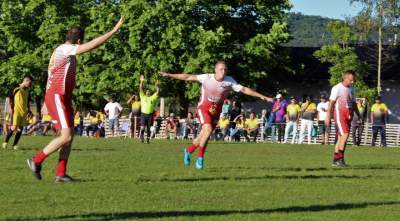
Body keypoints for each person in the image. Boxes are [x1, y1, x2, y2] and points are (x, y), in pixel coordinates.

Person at [27, 17, 124, 182]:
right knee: (65, 136)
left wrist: (45, 102)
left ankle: (60, 173)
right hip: (57, 96)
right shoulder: (66, 49)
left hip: (61, 97)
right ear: (78, 41)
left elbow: (52, 75)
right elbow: (93, 45)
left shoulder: (62, 51)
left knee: (70, 135)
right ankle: (36, 161)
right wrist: (113, 31)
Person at [160, 61, 273, 169]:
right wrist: (169, 75)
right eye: (221, 69)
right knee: (208, 130)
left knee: (203, 136)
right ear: (215, 70)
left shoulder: (229, 81)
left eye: (225, 69)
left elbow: (244, 89)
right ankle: (200, 159)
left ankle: (189, 151)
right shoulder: (207, 78)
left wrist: (262, 96)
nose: (223, 71)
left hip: (215, 113)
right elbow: (187, 77)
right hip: (203, 109)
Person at [326, 70, 360, 167]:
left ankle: (336, 160)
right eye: (351, 80)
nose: (352, 82)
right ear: (345, 78)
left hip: (348, 116)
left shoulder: (352, 89)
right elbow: (331, 103)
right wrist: (328, 116)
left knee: (341, 138)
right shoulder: (337, 88)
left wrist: (358, 114)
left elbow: (353, 103)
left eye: (353, 80)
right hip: (339, 114)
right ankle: (340, 159)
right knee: (345, 134)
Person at [2, 77, 33, 150]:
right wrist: (10, 108)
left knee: (20, 129)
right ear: (25, 81)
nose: (30, 85)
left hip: (24, 112)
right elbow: (10, 98)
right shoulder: (16, 88)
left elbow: (27, 102)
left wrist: (29, 110)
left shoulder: (28, 91)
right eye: (29, 83)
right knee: (13, 127)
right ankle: (5, 142)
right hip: (16, 111)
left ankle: (15, 145)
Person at [139, 75, 160, 143]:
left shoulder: (152, 97)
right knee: (142, 127)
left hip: (150, 115)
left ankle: (148, 139)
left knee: (149, 128)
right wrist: (141, 82)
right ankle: (141, 136)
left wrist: (157, 86)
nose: (147, 92)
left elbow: (157, 92)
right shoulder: (142, 96)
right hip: (143, 114)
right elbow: (140, 88)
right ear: (145, 92)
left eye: (149, 91)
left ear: (150, 93)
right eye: (147, 91)